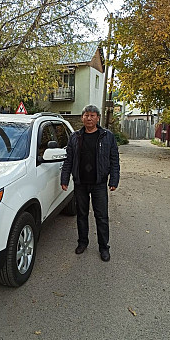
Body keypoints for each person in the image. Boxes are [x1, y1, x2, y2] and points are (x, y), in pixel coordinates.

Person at [61, 105, 120, 261]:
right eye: (86, 115)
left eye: (92, 115)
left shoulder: (107, 136)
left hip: (99, 183)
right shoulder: (75, 137)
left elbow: (114, 160)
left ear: (98, 118)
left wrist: (114, 179)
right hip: (80, 183)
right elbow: (69, 160)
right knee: (82, 214)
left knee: (101, 216)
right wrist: (64, 179)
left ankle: (103, 247)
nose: (89, 118)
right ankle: (82, 242)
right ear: (82, 118)